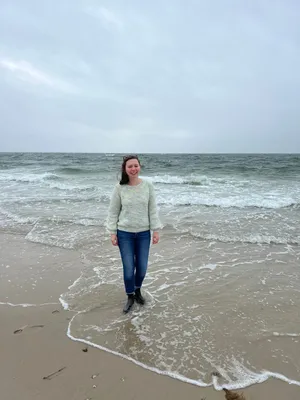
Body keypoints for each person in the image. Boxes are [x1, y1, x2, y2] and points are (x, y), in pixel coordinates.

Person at [106, 155, 161, 313]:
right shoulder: (119, 188)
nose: (133, 169)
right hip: (124, 234)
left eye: (135, 165)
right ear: (125, 169)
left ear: (139, 166)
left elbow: (152, 209)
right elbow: (113, 211)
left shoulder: (148, 186)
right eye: (130, 166)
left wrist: (155, 230)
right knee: (129, 269)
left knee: (142, 268)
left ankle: (137, 291)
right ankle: (130, 296)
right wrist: (112, 232)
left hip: (144, 234)